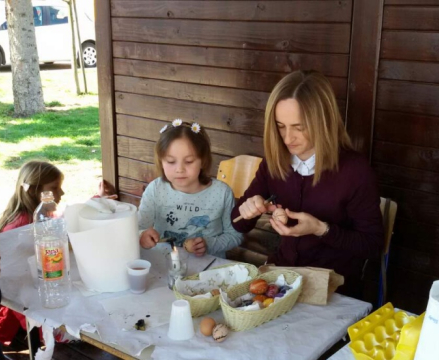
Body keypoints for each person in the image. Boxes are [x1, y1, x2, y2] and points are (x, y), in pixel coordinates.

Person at [231, 70, 384, 298]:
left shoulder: (355, 171)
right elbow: (238, 223)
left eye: (299, 127)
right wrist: (249, 208)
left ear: (323, 122)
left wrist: (321, 229)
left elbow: (372, 245)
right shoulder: (275, 161)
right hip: (283, 279)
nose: (287, 138)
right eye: (280, 126)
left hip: (334, 288)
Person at [0, 160, 116, 345]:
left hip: (49, 289)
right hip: (33, 318)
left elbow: (65, 220)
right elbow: (15, 287)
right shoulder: (20, 227)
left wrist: (96, 199)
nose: (61, 193)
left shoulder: (40, 215)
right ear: (33, 191)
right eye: (55, 188)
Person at [139, 119, 243, 258]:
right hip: (165, 263)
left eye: (189, 161)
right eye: (171, 162)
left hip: (209, 269)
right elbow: (139, 227)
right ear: (161, 161)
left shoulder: (221, 193)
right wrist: (142, 236)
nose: (180, 169)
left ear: (203, 161)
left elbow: (235, 235)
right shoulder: (155, 189)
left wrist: (209, 244)